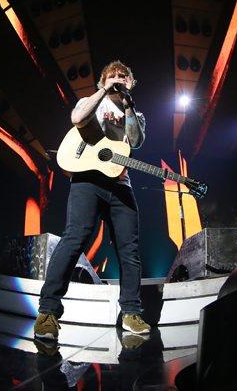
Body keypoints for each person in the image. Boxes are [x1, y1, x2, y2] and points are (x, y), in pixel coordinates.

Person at [34, 60, 150, 340]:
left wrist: (128, 104)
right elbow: (77, 119)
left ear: (131, 83)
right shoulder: (91, 101)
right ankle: (48, 312)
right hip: (87, 180)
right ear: (102, 82)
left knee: (129, 250)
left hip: (121, 185)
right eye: (112, 76)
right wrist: (103, 92)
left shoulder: (136, 113)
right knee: (75, 237)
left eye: (124, 76)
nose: (118, 78)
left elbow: (135, 142)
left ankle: (131, 313)